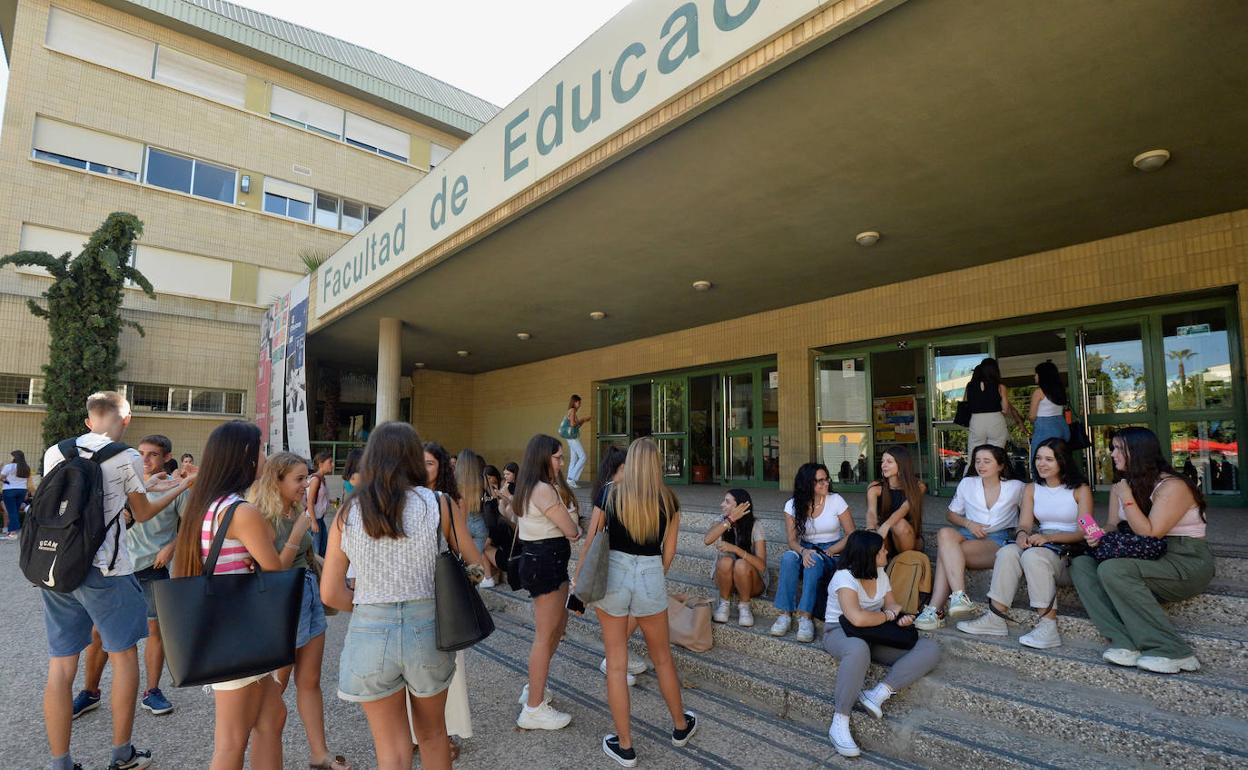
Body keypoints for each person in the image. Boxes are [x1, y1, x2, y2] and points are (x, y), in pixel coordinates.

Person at [39, 392, 194, 770]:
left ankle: (60, 762)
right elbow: (142, 513)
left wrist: (151, 484)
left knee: (61, 665)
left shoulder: (56, 452)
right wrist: (183, 486)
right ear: (126, 420)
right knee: (123, 656)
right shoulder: (125, 456)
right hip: (105, 571)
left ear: (89, 420)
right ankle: (122, 754)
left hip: (57, 567)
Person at [321, 422, 479, 770]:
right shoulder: (439, 503)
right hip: (429, 629)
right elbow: (476, 564)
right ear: (413, 458)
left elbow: (330, 592)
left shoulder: (349, 511)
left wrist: (368, 605)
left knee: (391, 747)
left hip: (370, 631)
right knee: (433, 735)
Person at [171, 421, 298, 770]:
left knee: (272, 717)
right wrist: (295, 535)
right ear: (245, 455)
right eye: (261, 450)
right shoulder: (241, 511)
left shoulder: (207, 504)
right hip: (239, 634)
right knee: (231, 742)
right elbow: (276, 571)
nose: (265, 458)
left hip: (229, 630)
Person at [575, 437, 695, 767]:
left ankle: (625, 746)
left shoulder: (610, 493)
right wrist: (653, 576)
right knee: (663, 659)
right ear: (657, 465)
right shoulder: (669, 499)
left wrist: (579, 585)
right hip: (651, 573)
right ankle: (680, 726)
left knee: (616, 664)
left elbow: (591, 542)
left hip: (614, 573)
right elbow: (670, 551)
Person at [1071, 427, 1215, 673]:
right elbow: (1113, 524)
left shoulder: (1173, 486)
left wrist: (1127, 496)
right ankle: (1124, 642)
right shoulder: (1121, 485)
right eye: (1113, 448)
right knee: (1081, 564)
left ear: (1138, 452)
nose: (1112, 454)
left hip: (1184, 560)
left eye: (1119, 448)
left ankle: (1172, 650)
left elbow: (1150, 533)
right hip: (1144, 554)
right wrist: (1100, 534)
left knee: (1114, 569)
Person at [75, 435, 189, 720]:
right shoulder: (123, 482)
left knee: (154, 631)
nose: (145, 459)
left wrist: (171, 546)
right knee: (99, 632)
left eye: (153, 454)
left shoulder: (175, 488)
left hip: (152, 566)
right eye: (141, 453)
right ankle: (90, 692)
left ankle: (152, 691)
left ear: (167, 457)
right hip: (116, 568)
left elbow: (190, 525)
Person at [249, 452, 349, 770]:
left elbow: (305, 556)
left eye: (306, 477)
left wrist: (337, 573)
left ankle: (319, 753)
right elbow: (274, 569)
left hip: (308, 595)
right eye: (299, 479)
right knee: (275, 686)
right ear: (276, 480)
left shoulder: (294, 509)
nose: (306, 484)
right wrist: (297, 532)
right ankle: (264, 752)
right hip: (283, 602)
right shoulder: (261, 515)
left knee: (310, 679)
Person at [957, 438, 1092, 648]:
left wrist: (1049, 538)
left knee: (1033, 556)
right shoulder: (1031, 488)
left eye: (1049, 459)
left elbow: (1084, 531)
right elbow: (1025, 524)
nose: (1041, 464)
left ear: (1062, 461)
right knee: (1008, 552)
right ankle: (995, 618)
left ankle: (1048, 626)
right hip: (1040, 541)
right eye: (1038, 458)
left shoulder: (1080, 489)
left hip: (1067, 550)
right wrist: (1021, 536)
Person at [823, 531, 940, 758]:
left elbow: (893, 605)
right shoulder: (843, 577)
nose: (886, 552)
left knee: (930, 648)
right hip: (839, 631)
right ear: (868, 555)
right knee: (858, 649)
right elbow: (856, 619)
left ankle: (878, 693)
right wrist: (887, 616)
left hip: (873, 632)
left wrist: (900, 618)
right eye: (882, 550)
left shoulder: (880, 573)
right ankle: (839, 720)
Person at [513, 434, 581, 729]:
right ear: (543, 457)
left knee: (557, 627)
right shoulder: (542, 489)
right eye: (557, 457)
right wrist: (572, 514)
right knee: (545, 635)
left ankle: (536, 687)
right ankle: (533, 708)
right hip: (546, 562)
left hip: (545, 561)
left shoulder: (530, 487)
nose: (562, 463)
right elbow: (572, 530)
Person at [916, 445, 1024, 630]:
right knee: (944, 534)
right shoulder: (968, 483)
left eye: (987, 461)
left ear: (1000, 465)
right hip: (967, 534)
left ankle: (935, 609)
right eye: (977, 461)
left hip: (997, 540)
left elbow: (1031, 513)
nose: (981, 465)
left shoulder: (1016, 487)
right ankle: (959, 596)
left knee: (946, 553)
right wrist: (968, 523)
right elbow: (951, 514)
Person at [423, 441, 484, 758]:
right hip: (420, 592)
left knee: (446, 670)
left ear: (442, 468)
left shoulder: (446, 501)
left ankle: (441, 733)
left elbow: (468, 553)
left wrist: (472, 576)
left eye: (430, 463)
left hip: (442, 594)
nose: (423, 469)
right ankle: (421, 735)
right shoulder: (403, 500)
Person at [770, 463, 854, 642]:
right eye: (820, 481)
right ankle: (785, 614)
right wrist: (803, 551)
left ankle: (806, 617)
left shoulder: (836, 500)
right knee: (788, 558)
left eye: (827, 479)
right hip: (806, 548)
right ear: (808, 483)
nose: (826, 483)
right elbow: (792, 541)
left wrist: (831, 550)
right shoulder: (792, 505)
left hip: (832, 552)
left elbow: (851, 535)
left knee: (813, 560)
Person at [587, 446, 648, 684]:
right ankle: (613, 660)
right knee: (630, 611)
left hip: (624, 564)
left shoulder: (622, 491)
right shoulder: (610, 492)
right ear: (622, 467)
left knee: (634, 611)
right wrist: (580, 575)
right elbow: (592, 536)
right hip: (614, 564)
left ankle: (615, 656)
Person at [706, 488, 766, 626]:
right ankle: (724, 604)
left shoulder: (755, 525)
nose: (722, 504)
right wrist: (730, 520)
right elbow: (707, 540)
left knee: (741, 564)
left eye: (727, 502)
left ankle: (744, 606)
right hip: (725, 579)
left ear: (740, 506)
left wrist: (735, 549)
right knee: (725, 561)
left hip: (751, 582)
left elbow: (762, 566)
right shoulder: (721, 521)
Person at [866, 445, 926, 554]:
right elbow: (871, 512)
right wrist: (871, 529)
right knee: (874, 529)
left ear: (901, 465)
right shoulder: (875, 487)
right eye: (882, 461)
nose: (883, 465)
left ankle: (905, 561)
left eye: (889, 462)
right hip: (884, 536)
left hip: (908, 537)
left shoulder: (918, 486)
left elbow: (904, 508)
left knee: (899, 523)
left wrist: (886, 525)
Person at [964, 358, 1020, 458]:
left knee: (974, 454)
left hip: (976, 420)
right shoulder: (1000, 386)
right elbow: (1005, 409)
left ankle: (973, 468)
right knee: (996, 454)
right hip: (995, 419)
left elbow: (966, 404)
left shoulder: (970, 386)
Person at [455, 449, 493, 587]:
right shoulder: (482, 480)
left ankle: (464, 591)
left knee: (461, 563)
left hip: (462, 524)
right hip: (480, 524)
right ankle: (473, 590)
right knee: (475, 564)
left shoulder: (454, 482)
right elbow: (491, 499)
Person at [1028, 361, 1070, 478]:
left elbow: (1032, 416)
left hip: (1044, 428)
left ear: (1042, 375)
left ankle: (1041, 485)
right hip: (1061, 426)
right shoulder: (1060, 391)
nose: (1034, 376)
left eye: (1036, 374)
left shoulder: (1039, 392)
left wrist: (1031, 421)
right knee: (1058, 460)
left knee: (1039, 459)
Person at [560, 395, 591, 488]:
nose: (580, 404)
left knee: (574, 459)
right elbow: (573, 424)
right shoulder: (572, 410)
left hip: (571, 437)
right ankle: (571, 478)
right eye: (579, 402)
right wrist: (582, 419)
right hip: (572, 438)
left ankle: (570, 480)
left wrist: (584, 421)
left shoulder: (572, 411)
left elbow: (576, 426)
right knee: (583, 457)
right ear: (574, 402)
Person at [307, 451, 333, 557]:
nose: (332, 465)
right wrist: (313, 522)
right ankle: (315, 568)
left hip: (320, 519)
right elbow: (310, 502)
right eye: (330, 462)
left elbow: (318, 499)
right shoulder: (316, 480)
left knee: (323, 548)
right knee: (316, 551)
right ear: (321, 464)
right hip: (314, 519)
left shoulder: (322, 478)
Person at [3, 448, 31, 537]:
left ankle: (13, 532)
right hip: (22, 490)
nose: (9, 458)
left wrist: (6, 482)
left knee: (12, 511)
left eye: (11, 456)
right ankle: (12, 531)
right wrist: (26, 493)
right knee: (15, 510)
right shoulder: (26, 467)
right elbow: (27, 481)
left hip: (9, 491)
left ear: (14, 457)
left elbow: (1, 477)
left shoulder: (8, 466)